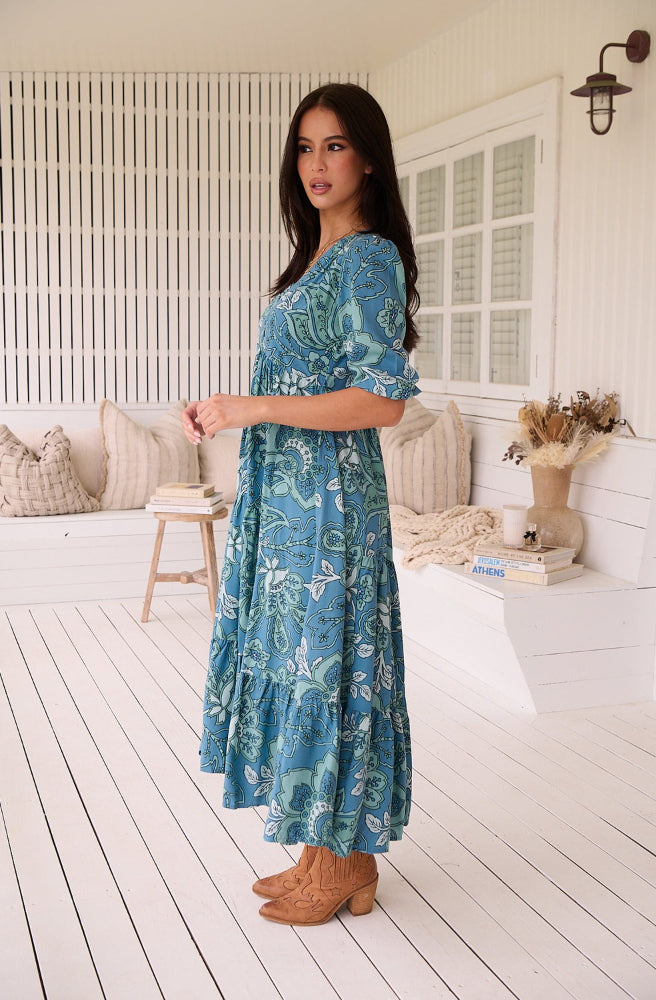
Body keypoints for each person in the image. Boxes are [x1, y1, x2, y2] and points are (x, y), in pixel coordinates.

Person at [182, 82, 420, 927]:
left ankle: (344, 860)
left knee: (327, 664)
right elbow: (300, 381)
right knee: (294, 661)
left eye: (336, 145)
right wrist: (227, 411)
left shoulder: (369, 258)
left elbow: (382, 401)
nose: (317, 163)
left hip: (329, 506)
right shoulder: (313, 260)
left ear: (368, 159)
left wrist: (252, 408)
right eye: (306, 147)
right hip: (285, 500)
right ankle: (328, 853)